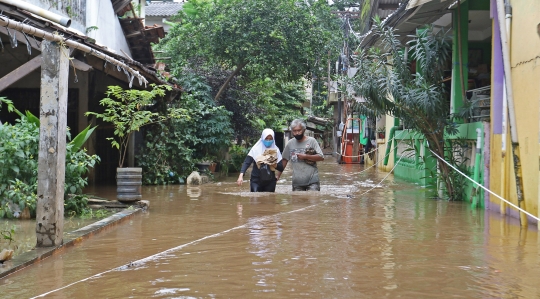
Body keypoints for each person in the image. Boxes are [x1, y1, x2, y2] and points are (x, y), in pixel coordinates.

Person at [278, 119, 324, 191]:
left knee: (313, 201)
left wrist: (306, 156)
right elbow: (284, 161)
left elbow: (321, 157)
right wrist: (277, 176)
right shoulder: (290, 144)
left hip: (313, 181)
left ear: (304, 130)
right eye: (294, 131)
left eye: (299, 130)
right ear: (292, 131)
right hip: (297, 182)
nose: (297, 133)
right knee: (298, 202)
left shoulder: (312, 141)